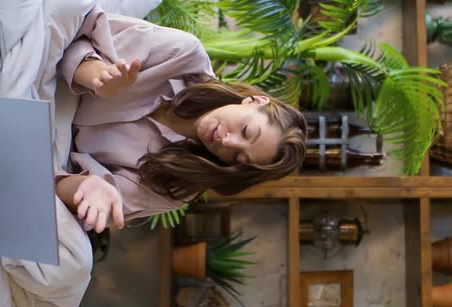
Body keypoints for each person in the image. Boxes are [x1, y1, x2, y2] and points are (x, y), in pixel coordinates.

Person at [55, 5, 308, 234]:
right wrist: (97, 77)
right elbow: (83, 29)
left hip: (50, 153)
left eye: (239, 158)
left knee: (73, 265)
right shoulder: (184, 55)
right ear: (254, 101)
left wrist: (87, 186)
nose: (228, 143)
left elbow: (71, 193)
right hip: (56, 82)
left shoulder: (177, 183)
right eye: (246, 130)